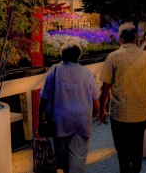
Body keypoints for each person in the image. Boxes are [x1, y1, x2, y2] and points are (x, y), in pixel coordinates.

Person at [98, 22, 146, 173]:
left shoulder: (112, 57)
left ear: (120, 39)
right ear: (136, 39)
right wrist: (144, 102)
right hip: (140, 114)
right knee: (137, 150)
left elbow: (105, 88)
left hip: (119, 115)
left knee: (122, 152)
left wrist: (101, 111)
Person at [39, 43, 100, 173]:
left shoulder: (54, 70)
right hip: (81, 119)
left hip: (60, 120)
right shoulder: (86, 73)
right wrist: (101, 112)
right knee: (78, 155)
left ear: (62, 55)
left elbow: (44, 96)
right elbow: (95, 97)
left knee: (62, 155)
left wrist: (40, 115)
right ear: (79, 56)